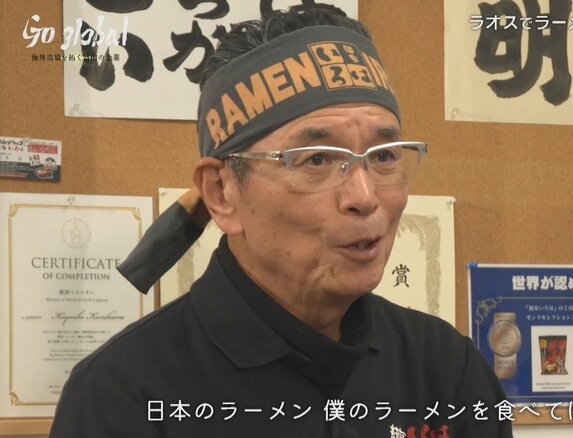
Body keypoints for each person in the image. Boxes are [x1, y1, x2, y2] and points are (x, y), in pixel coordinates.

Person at [50, 3, 513, 437]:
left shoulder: (444, 369)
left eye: (384, 155)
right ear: (222, 192)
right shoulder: (124, 395)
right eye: (317, 159)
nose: (365, 196)